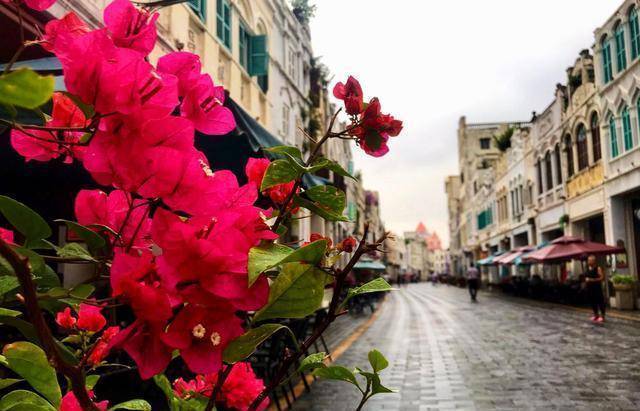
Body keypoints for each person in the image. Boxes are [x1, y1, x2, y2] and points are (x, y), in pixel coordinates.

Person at [584, 255, 606, 323]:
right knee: (593, 302)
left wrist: (592, 280)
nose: (589, 262)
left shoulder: (598, 268)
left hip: (597, 288)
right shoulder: (587, 268)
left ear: (594, 261)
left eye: (590, 260)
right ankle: (596, 315)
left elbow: (602, 278)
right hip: (590, 289)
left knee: (600, 302)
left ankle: (602, 316)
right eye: (588, 260)